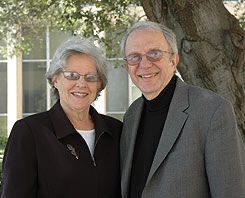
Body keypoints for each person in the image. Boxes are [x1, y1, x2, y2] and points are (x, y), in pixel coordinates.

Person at [120, 21, 245, 198]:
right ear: (127, 67)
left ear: (173, 60)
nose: (144, 64)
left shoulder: (213, 111)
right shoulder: (131, 116)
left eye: (154, 54)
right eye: (134, 57)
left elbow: (231, 192)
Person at [1, 36, 122, 198]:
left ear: (99, 84)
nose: (81, 84)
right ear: (55, 79)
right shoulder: (29, 132)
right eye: (72, 75)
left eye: (90, 77)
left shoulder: (115, 131)